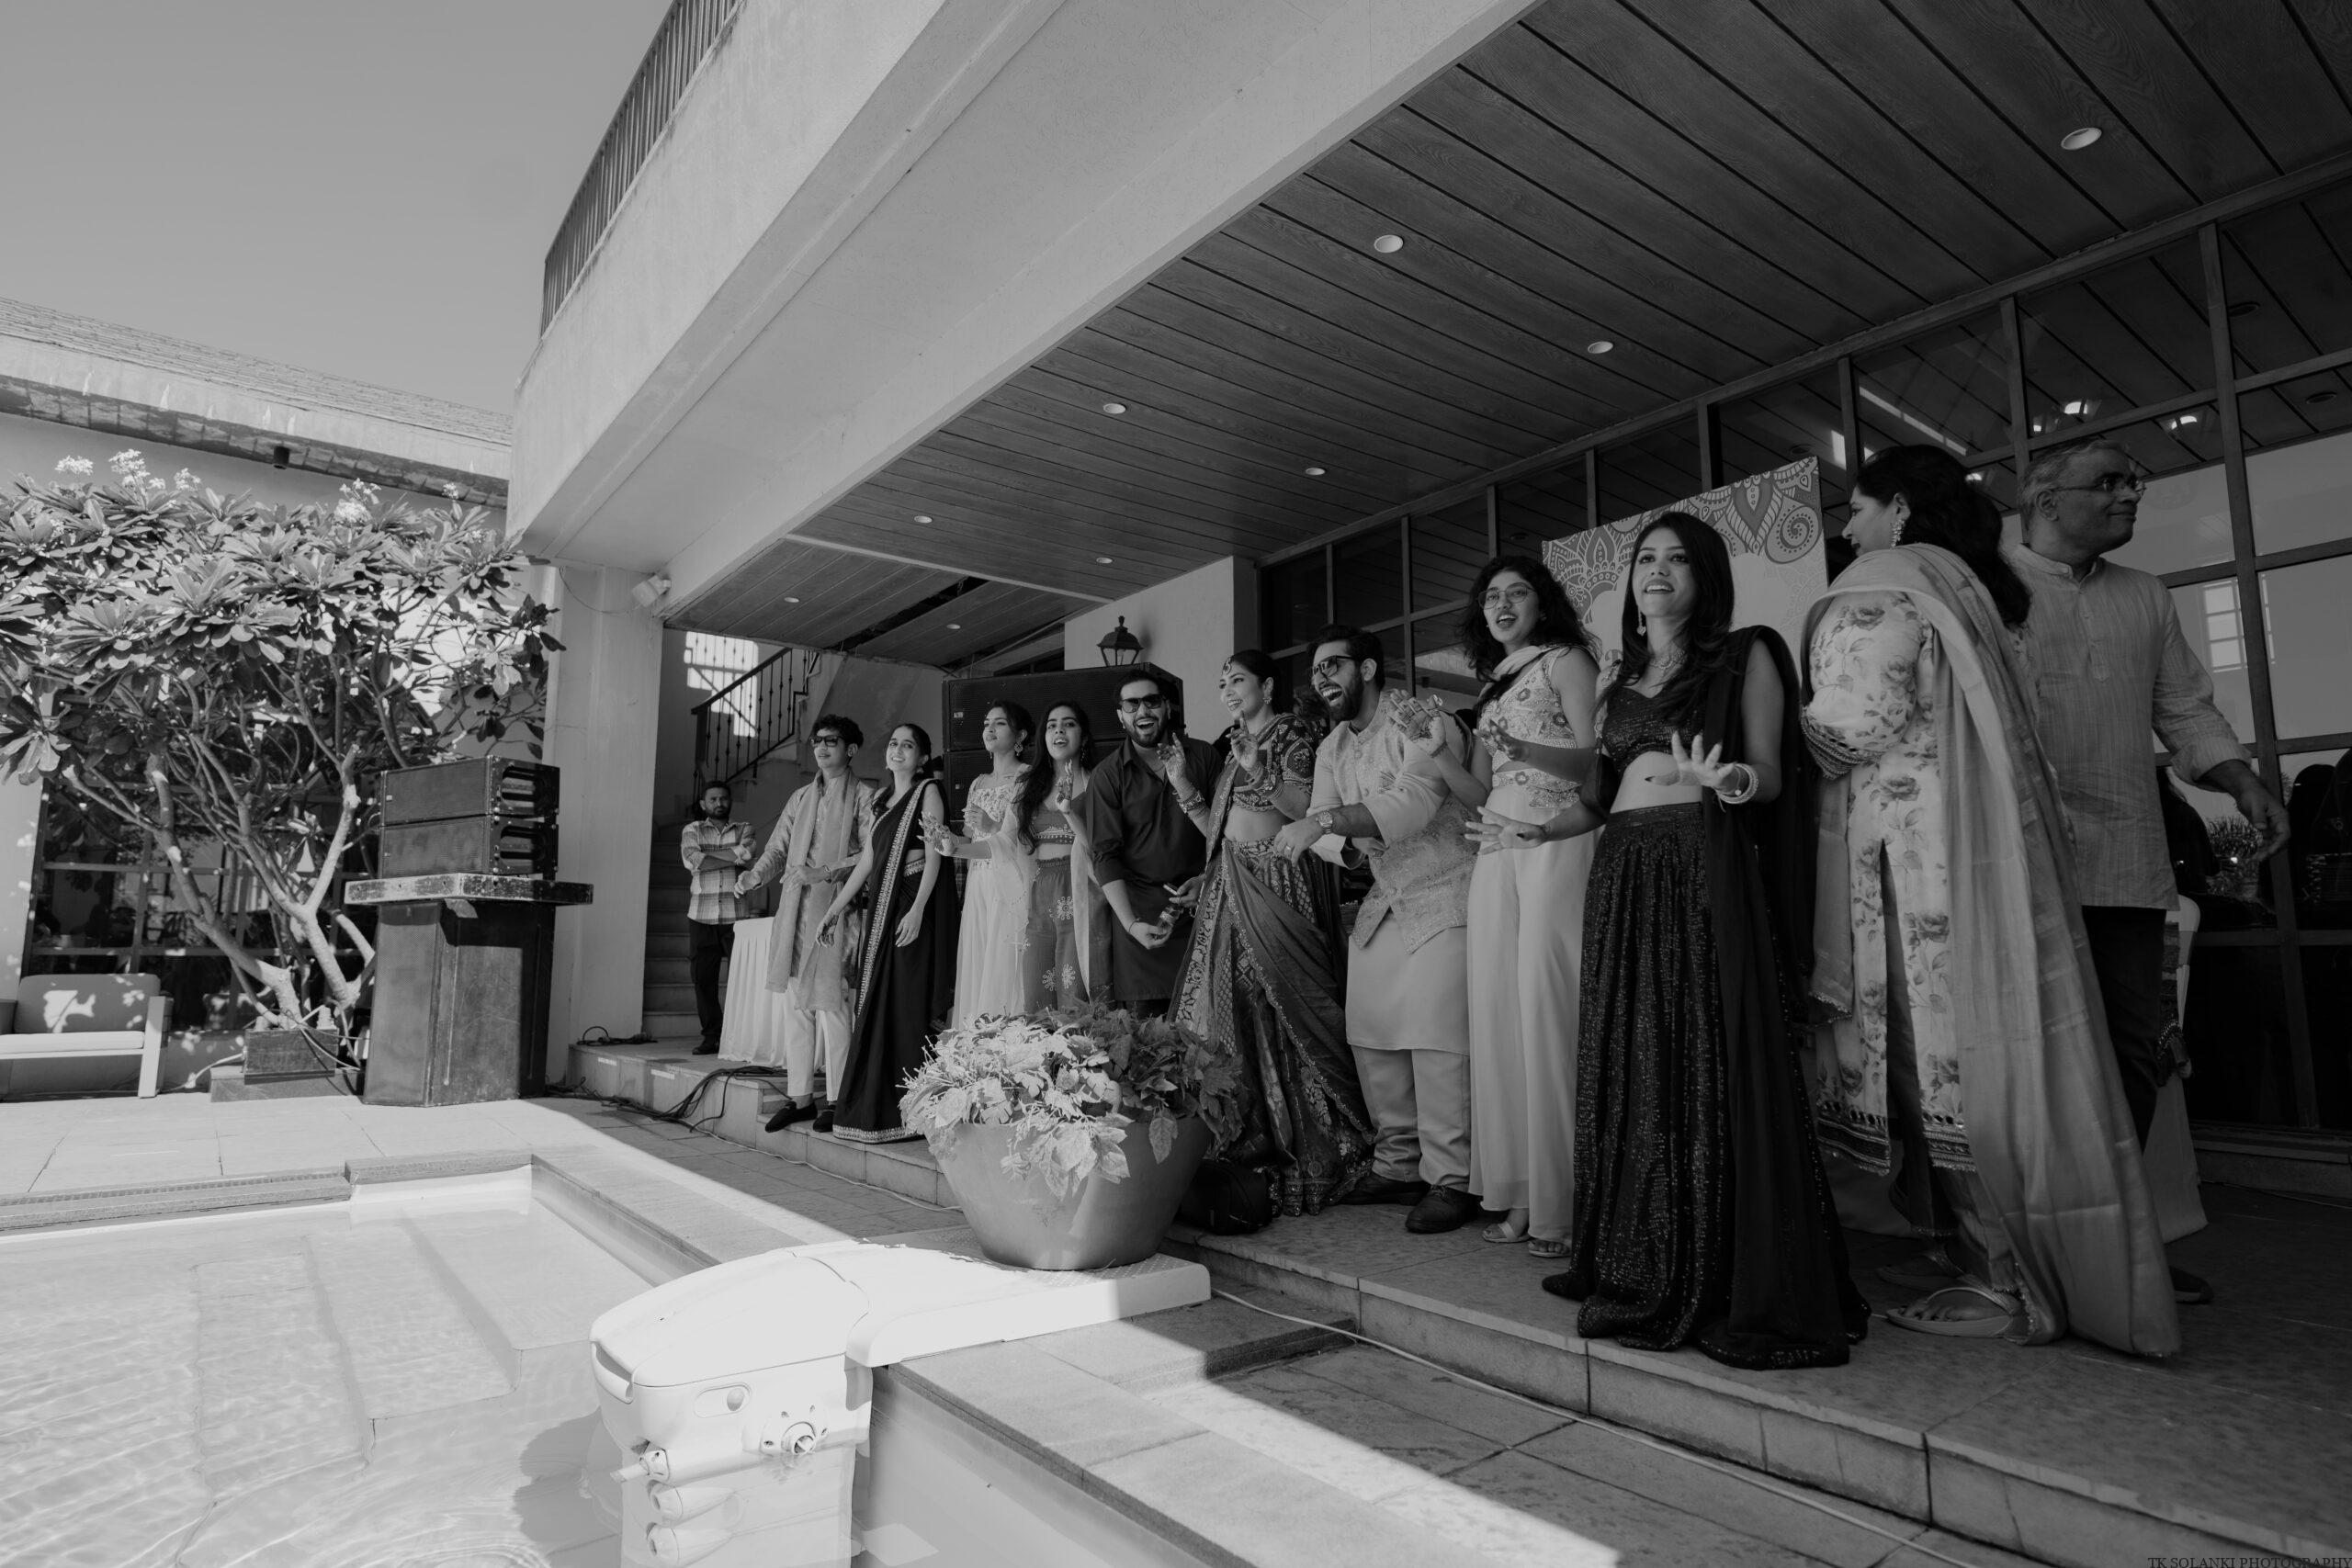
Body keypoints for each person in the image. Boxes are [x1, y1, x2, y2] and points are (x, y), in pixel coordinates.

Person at [1804, 446, 2178, 1354]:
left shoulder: (1881, 586)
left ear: (1897, 508)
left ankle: (2000, 1276)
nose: (1848, 528)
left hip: (1910, 866)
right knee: (1982, 1053)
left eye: (1856, 508)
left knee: (1938, 1058)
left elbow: (1853, 725)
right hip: (1976, 854)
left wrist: (1762, 727)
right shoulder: (1974, 586)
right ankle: (1992, 1253)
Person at [1533, 513, 1865, 1369]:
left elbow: (1771, 774)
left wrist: (1730, 778)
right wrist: (1530, 830)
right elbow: (1599, 797)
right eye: (1646, 558)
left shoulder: (1745, 655)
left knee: (1699, 1049)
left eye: (1678, 558)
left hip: (1698, 864)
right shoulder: (1618, 682)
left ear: (1706, 576)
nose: (1658, 570)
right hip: (1623, 872)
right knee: (1633, 1054)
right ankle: (1636, 1248)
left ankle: (1715, 1260)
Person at [2009, 437, 2291, 1305]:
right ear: (2045, 500)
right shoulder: (1986, 587)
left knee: (2134, 1054)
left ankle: (2117, 1247)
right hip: (2018, 864)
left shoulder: (2145, 594)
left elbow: (2184, 708)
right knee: (2027, 1059)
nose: (2132, 494)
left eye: (2136, 481)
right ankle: (2012, 1252)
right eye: (2110, 482)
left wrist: (2243, 782)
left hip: (2127, 862)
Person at [1271, 626, 1480, 1235]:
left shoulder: (1416, 718)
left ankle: (1452, 1177)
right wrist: (1344, 842)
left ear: (1366, 668)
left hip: (1448, 891)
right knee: (1371, 1030)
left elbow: (1415, 800)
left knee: (1437, 1037)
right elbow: (1322, 823)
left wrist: (1326, 824)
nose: (1322, 679)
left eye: (1333, 665)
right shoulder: (1334, 744)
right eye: (1316, 670)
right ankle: (1398, 1164)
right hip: (1387, 897)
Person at [1172, 650, 1374, 1215]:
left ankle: (1307, 1140)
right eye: (1222, 682)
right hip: (1231, 880)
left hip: (1276, 879)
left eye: (1237, 679)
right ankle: (1243, 1135)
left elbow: (1307, 810)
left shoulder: (1292, 734)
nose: (1228, 690)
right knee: (1232, 1008)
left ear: (1266, 685)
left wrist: (1260, 769)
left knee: (1277, 1004)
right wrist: (1183, 783)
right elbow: (1219, 829)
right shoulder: (1234, 746)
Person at [1441, 557, 1601, 1258]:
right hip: (1496, 845)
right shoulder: (1492, 684)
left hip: (1556, 839)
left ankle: (1569, 1199)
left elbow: (1597, 765)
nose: (1502, 605)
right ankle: (1525, 1191)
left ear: (1543, 603)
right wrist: (1438, 755)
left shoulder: (1567, 661)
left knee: (1546, 1008)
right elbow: (1481, 791)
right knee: (1501, 1013)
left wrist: (1521, 745)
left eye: (1518, 593)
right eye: (1491, 596)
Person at [807, 723, 959, 1141]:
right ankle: (879, 1109)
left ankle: (913, 1110)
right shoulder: (881, 800)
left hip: (912, 907)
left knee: (906, 1004)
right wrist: (834, 910)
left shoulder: (928, 791)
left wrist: (918, 909)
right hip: (882, 911)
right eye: (893, 743)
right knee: (878, 1004)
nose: (898, 750)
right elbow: (867, 862)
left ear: (922, 757)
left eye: (908, 745)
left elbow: (934, 855)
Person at [738, 716, 875, 1127]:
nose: (821, 747)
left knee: (833, 1006)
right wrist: (755, 875)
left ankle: (837, 1099)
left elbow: (872, 853)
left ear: (851, 749)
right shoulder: (800, 797)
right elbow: (778, 847)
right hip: (796, 911)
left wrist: (824, 872)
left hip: (838, 911)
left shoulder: (865, 797)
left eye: (831, 741)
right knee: (796, 1004)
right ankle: (800, 1098)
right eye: (817, 741)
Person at [1078, 670, 1220, 1016]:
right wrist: (1130, 924)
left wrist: (1209, 880)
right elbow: (1104, 856)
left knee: (1211, 1028)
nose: (1142, 711)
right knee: (1148, 1038)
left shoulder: (1204, 757)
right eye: (1132, 704)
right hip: (1141, 923)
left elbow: (1227, 834)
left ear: (1167, 707)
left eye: (1151, 701)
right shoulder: (1107, 775)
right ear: (1120, 715)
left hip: (1205, 913)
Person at [936, 702, 1038, 1026]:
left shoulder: (1027, 777)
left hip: (1009, 878)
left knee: (1004, 960)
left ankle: (1007, 1036)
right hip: (978, 882)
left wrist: (992, 826)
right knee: (979, 958)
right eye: (986, 723)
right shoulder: (978, 783)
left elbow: (1024, 839)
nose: (989, 729)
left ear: (1020, 736)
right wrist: (947, 840)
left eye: (1000, 723)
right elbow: (970, 838)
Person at [1027, 702, 1112, 1006]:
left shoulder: (1099, 782)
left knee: (1074, 991)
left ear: (1084, 737)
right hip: (1040, 889)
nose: (1059, 730)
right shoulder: (1030, 787)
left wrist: (1069, 812)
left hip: (1080, 886)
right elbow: (1007, 841)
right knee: (1036, 991)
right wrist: (957, 847)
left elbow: (1102, 848)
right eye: (1051, 725)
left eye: (1069, 724)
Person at [679, 782, 756, 1055]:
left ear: (730, 801)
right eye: (713, 799)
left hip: (737, 918)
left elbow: (748, 854)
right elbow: (693, 860)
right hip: (701, 916)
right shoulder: (692, 830)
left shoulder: (745, 828)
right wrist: (734, 857)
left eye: (724, 798)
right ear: (703, 804)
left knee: (743, 981)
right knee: (703, 981)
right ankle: (712, 1036)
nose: (719, 803)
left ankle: (740, 1037)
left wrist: (708, 857)